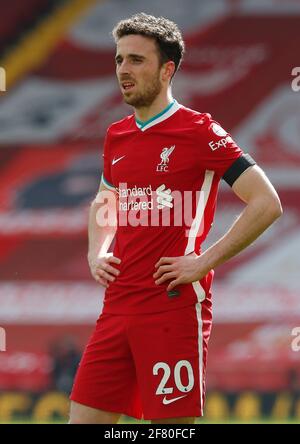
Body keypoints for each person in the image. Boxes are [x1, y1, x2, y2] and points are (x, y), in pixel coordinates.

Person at [69, 13, 282, 424]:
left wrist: (203, 262)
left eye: (135, 60)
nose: (123, 71)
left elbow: (266, 202)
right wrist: (97, 252)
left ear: (167, 69)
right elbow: (103, 200)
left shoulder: (200, 130)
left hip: (171, 308)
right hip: (116, 307)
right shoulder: (117, 134)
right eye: (118, 60)